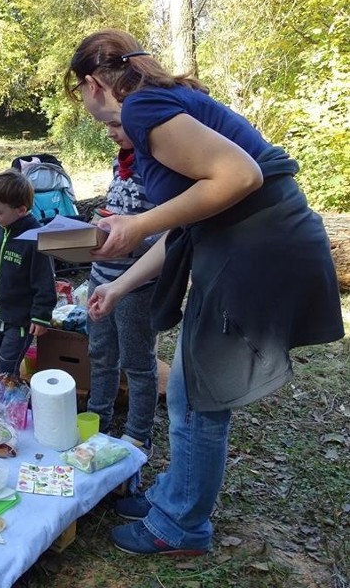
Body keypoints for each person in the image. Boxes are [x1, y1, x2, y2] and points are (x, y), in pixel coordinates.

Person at [66, 29, 343, 556]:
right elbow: (184, 227)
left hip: (257, 249)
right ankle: (174, 497)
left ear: (92, 83)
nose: (87, 109)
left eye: (80, 94)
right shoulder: (163, 103)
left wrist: (138, 220)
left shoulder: (143, 107)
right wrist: (120, 287)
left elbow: (240, 175)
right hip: (254, 244)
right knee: (190, 389)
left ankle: (181, 526)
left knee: (198, 395)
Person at [86, 123, 161, 458]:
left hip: (137, 286)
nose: (110, 132)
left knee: (138, 364)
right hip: (100, 277)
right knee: (100, 355)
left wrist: (128, 242)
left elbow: (170, 235)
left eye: (117, 125)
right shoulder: (122, 163)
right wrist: (99, 225)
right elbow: (120, 212)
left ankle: (137, 437)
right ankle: (96, 421)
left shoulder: (163, 169)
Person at [0, 169, 56, 378]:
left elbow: (45, 282)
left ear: (21, 210)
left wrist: (41, 317)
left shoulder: (35, 239)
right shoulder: (0, 227)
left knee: (7, 366)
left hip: (20, 320)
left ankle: (8, 403)